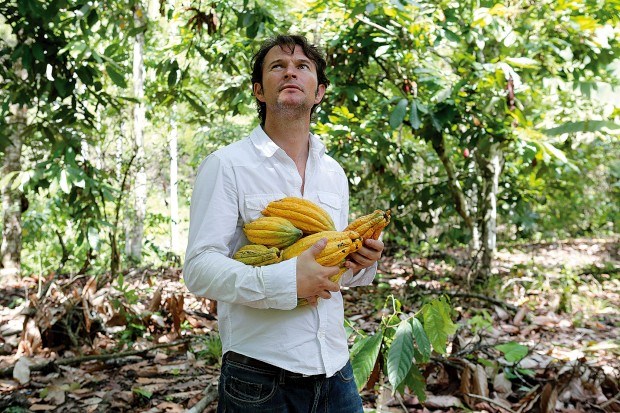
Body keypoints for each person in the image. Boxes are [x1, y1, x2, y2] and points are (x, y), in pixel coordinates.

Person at [183, 34, 384, 413]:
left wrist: (361, 263)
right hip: (260, 377)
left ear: (319, 92)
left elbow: (332, 267)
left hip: (337, 370)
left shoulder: (334, 172)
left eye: (302, 66)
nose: (290, 72)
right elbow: (198, 269)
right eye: (278, 66)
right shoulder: (227, 165)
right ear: (259, 90)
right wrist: (286, 282)